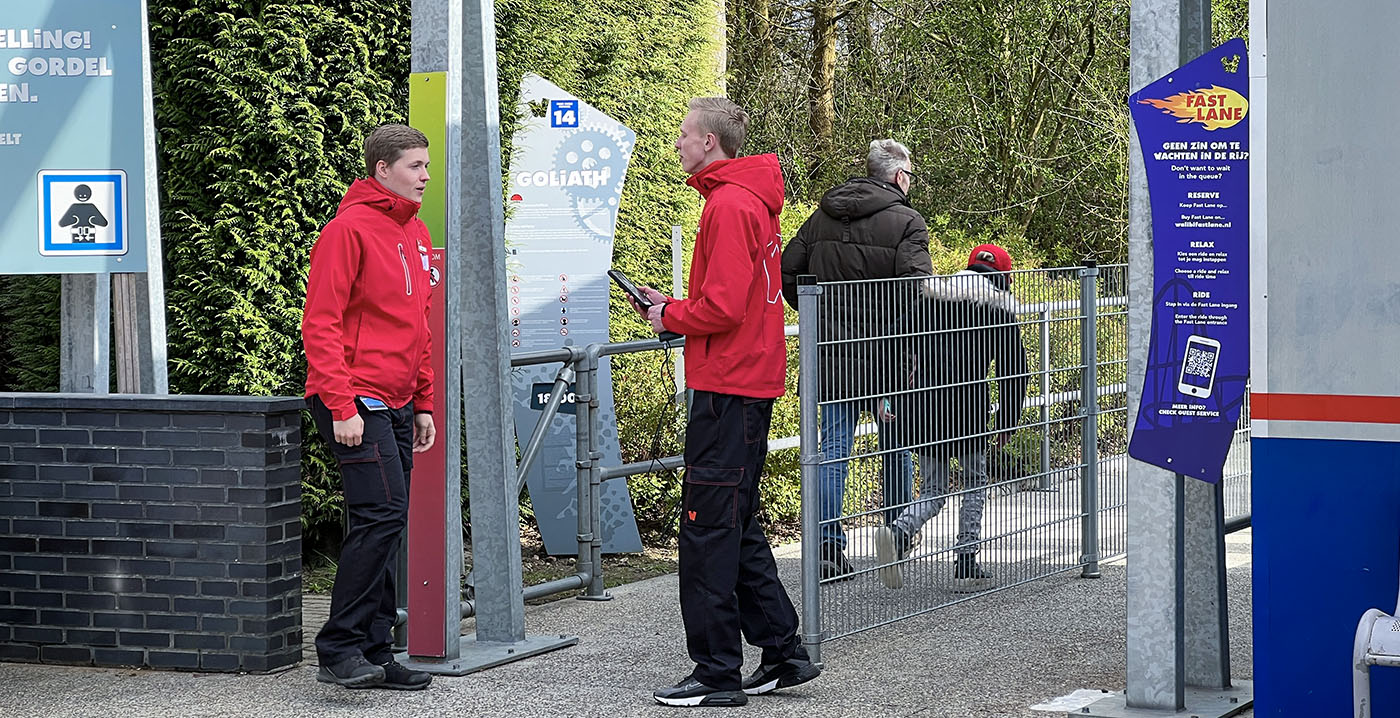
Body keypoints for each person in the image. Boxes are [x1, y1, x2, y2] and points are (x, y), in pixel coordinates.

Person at [632, 97, 819, 707]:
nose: (678, 142)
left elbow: (722, 306)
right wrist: (674, 310)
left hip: (727, 386)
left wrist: (670, 314)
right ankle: (784, 653)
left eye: (684, 134)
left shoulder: (728, 204)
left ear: (709, 142)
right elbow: (729, 300)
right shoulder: (748, 200)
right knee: (734, 525)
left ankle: (715, 672)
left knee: (707, 530)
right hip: (744, 381)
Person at [302, 124, 437, 691]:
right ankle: (339, 646)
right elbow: (321, 323)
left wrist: (425, 401)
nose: (426, 175)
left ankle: (376, 651)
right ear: (382, 169)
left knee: (384, 521)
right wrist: (342, 405)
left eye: (426, 165)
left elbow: (417, 326)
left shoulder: (416, 232)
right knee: (382, 516)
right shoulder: (346, 231)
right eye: (415, 166)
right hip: (355, 397)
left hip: (400, 400)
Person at [779, 138, 930, 581]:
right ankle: (896, 537)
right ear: (899, 176)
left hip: (831, 354)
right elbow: (919, 289)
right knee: (896, 447)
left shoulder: (821, 216)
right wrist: (914, 343)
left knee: (832, 450)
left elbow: (789, 269)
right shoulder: (907, 222)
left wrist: (816, 312)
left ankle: (828, 545)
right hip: (889, 356)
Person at [876, 244, 1029, 592]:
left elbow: (891, 341)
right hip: (968, 411)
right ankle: (965, 556)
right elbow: (1014, 369)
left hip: (926, 408)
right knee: (975, 481)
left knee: (933, 488)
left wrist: (889, 389)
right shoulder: (999, 310)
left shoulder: (932, 298)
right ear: (1004, 278)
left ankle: (899, 533)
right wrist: (1007, 419)